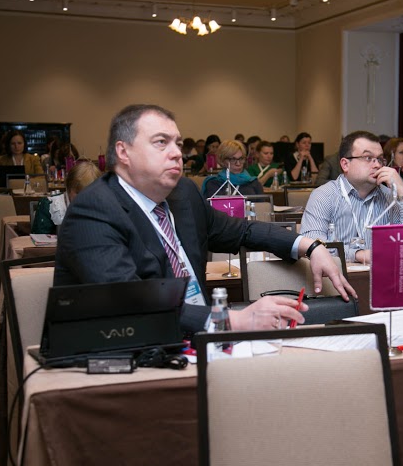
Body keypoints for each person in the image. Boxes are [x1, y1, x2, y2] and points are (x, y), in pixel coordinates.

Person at [54, 104, 355, 333]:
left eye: (178, 143)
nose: (177, 153)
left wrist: (309, 246)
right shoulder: (94, 211)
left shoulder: (183, 194)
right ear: (124, 152)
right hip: (124, 352)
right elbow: (130, 302)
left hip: (200, 335)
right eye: (161, 142)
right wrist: (233, 320)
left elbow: (242, 230)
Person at [301, 131, 403, 264]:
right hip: (337, 275)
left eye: (380, 159)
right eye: (368, 158)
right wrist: (358, 255)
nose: (377, 165)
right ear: (345, 164)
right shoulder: (324, 195)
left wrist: (402, 190)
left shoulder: (390, 197)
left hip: (383, 274)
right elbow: (312, 246)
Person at [32, 160, 102, 234]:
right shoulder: (50, 206)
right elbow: (39, 238)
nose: (84, 199)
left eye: (90, 195)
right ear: (68, 188)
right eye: (78, 193)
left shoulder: (103, 208)